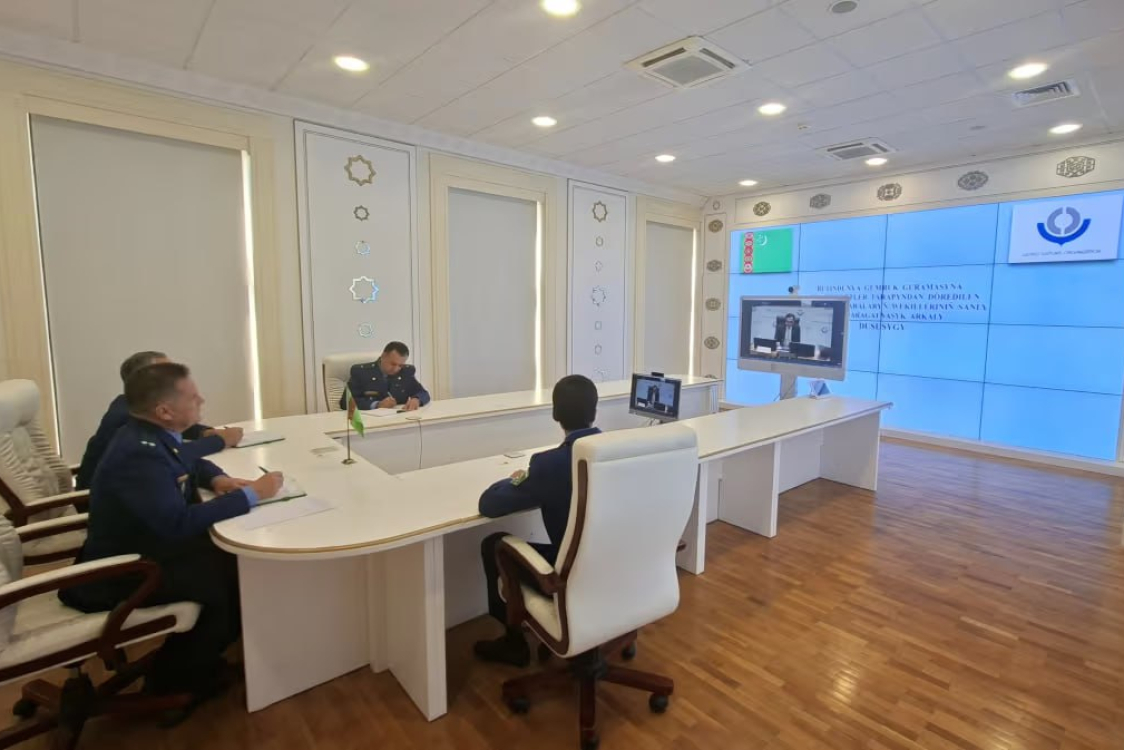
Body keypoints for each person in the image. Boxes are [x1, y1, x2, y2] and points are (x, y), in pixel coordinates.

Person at [60, 363, 283, 707]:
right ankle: (174, 680)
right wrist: (252, 495)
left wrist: (218, 480)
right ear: (164, 411)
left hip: (147, 548)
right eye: (193, 397)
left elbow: (185, 460)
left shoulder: (148, 434)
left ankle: (197, 659)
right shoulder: (139, 454)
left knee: (231, 563)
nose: (202, 400)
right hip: (123, 571)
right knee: (231, 580)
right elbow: (177, 523)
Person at [473, 375, 601, 666]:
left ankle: (513, 642)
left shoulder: (550, 464)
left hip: (572, 572)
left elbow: (489, 504)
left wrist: (514, 479)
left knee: (494, 544)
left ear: (555, 414)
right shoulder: (618, 451)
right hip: (615, 564)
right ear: (595, 411)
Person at [75, 351, 243, 490]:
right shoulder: (124, 419)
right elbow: (173, 455)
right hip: (102, 501)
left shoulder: (131, 405)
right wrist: (220, 440)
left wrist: (205, 432)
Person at [342, 341, 431, 411]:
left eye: (400, 365)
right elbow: (345, 403)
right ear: (383, 356)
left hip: (399, 420)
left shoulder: (406, 372)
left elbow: (423, 393)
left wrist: (417, 400)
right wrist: (377, 405)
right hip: (369, 422)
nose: (396, 369)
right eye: (393, 364)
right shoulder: (361, 372)